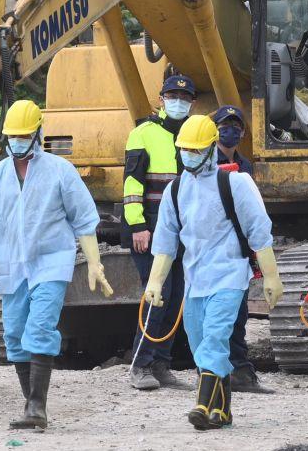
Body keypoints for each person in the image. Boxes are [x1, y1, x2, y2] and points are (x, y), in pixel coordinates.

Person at [0, 100, 113, 431]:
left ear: (37, 133)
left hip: (51, 260)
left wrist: (94, 263)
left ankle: (37, 407)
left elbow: (84, 220)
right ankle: (30, 404)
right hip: (9, 263)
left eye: (24, 135)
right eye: (13, 136)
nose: (18, 142)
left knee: (40, 327)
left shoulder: (60, 172)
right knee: (15, 334)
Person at [145, 115, 284, 430]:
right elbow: (166, 242)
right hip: (195, 281)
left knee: (215, 339)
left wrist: (272, 277)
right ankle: (222, 411)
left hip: (229, 275)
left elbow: (259, 233)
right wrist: (155, 282)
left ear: (211, 148)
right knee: (200, 346)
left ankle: (201, 405)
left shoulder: (235, 183)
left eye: (196, 149)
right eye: (185, 149)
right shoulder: (176, 189)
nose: (189, 155)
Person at [122, 74, 197, 390]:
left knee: (178, 297)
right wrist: (137, 225)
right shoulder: (144, 133)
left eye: (183, 98)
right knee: (158, 295)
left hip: (183, 234)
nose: (178, 102)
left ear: (191, 103)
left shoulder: (196, 136)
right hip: (149, 232)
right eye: (172, 96)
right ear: (162, 98)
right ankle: (140, 365)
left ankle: (161, 365)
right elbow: (132, 184)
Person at [211, 105, 272, 395]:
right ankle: (222, 372)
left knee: (237, 315)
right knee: (215, 318)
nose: (231, 130)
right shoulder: (205, 163)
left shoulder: (245, 167)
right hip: (213, 250)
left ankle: (239, 371)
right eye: (225, 125)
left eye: (236, 125)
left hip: (239, 249)